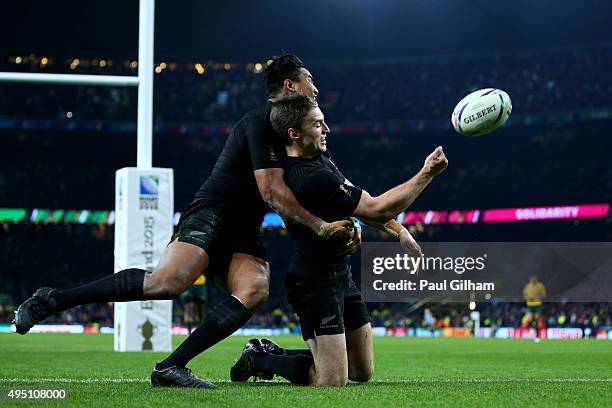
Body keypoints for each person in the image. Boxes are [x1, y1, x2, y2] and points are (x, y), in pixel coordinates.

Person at [12, 55, 356, 389]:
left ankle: (172, 366)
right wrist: (322, 228)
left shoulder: (306, 133)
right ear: (290, 85)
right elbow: (271, 191)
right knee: (167, 282)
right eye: (310, 80)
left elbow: (336, 187)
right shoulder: (260, 122)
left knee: (254, 289)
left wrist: (354, 223)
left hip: (244, 229)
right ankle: (53, 299)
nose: (316, 88)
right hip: (214, 211)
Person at [230, 94, 448, 386]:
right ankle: (257, 358)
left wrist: (400, 231)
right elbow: (376, 208)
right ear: (294, 133)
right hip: (313, 282)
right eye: (318, 124)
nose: (327, 129)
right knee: (331, 381)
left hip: (339, 274)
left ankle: (274, 352)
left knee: (361, 372)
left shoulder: (320, 159)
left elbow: (361, 208)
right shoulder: (308, 175)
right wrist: (426, 174)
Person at [522, 275, 547, 341]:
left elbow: (544, 295)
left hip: (537, 304)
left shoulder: (540, 286)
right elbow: (524, 295)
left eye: (534, 279)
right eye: (531, 279)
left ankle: (537, 335)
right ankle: (533, 331)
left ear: (536, 279)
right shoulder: (527, 286)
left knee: (537, 318)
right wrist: (528, 298)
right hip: (530, 304)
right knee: (529, 319)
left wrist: (537, 298)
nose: (532, 280)